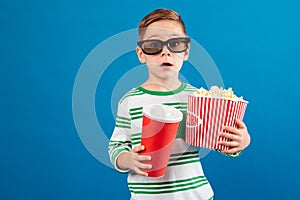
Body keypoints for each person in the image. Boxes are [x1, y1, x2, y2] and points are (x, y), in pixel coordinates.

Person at [108, 8, 251, 200]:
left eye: (175, 44)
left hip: (195, 195)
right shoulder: (129, 101)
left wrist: (241, 142)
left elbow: (219, 140)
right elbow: (117, 144)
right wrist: (127, 159)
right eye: (153, 45)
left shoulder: (199, 98)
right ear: (141, 54)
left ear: (185, 52)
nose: (165, 52)